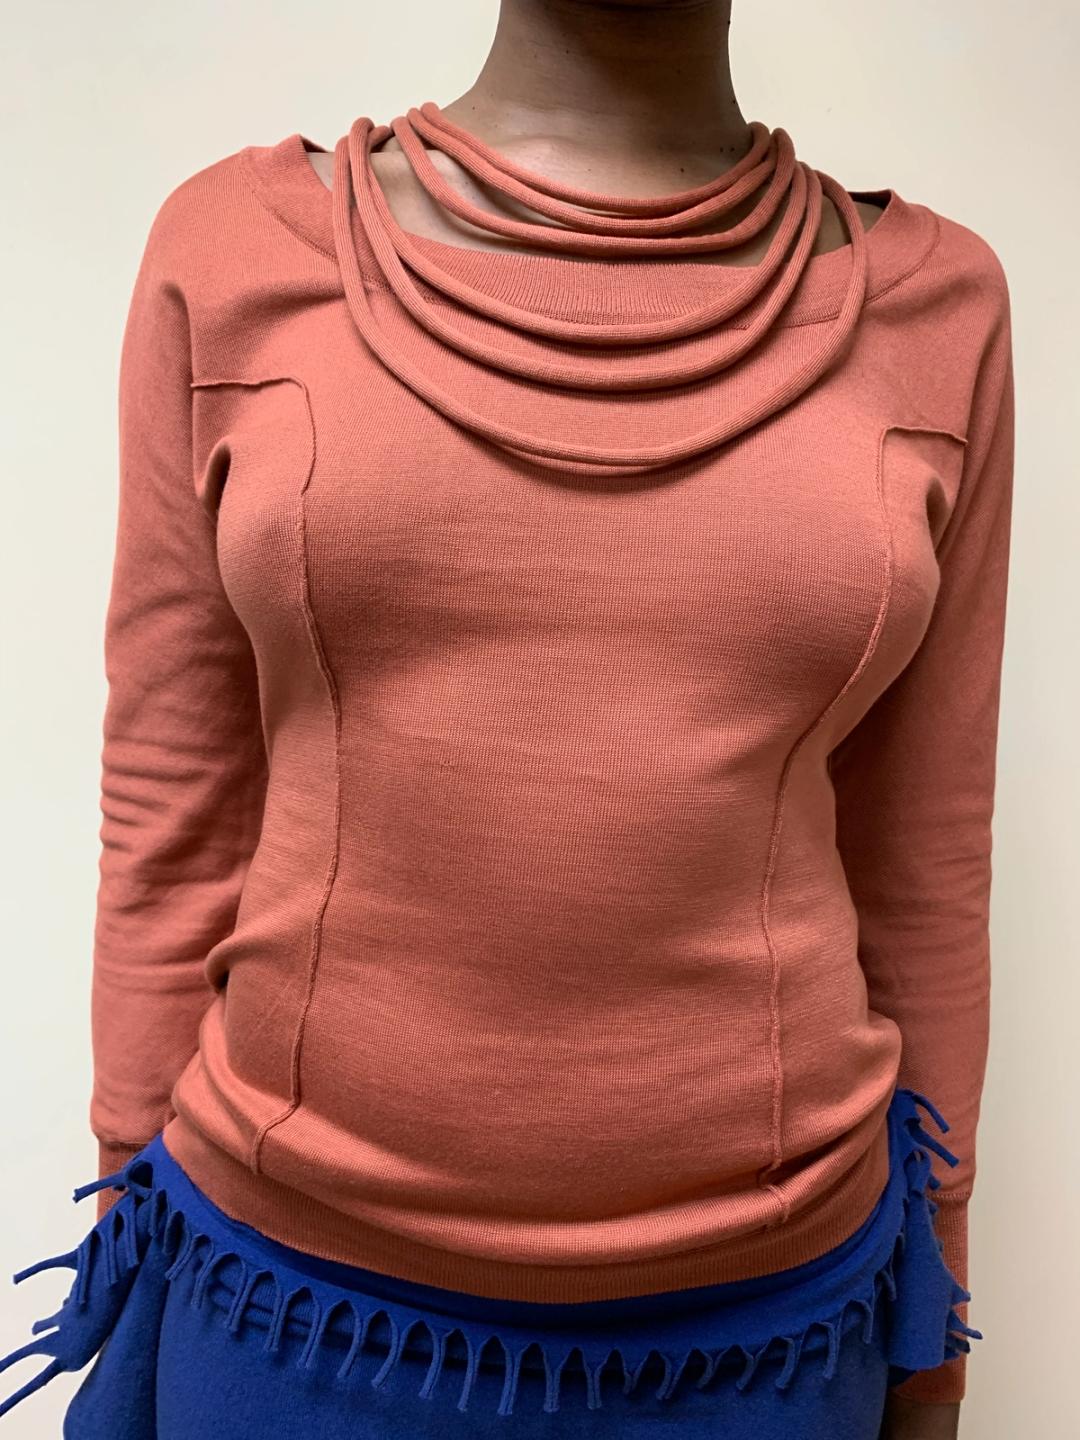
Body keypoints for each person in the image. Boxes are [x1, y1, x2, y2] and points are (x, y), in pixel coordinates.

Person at [0, 1, 1013, 1437]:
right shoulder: (232, 254)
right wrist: (126, 1211)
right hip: (288, 1310)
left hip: (768, 1341)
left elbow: (924, 858)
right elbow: (176, 800)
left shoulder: (940, 311)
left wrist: (936, 1320)